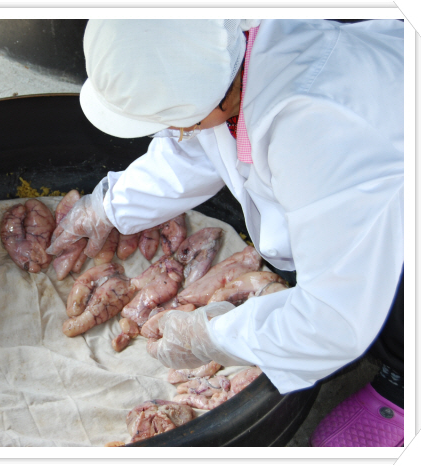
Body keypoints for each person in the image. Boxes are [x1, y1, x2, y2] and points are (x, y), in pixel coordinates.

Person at [46, 19, 404, 447]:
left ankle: (402, 386)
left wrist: (213, 337)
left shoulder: (318, 136)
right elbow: (197, 148)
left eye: (174, 121)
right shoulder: (223, 58)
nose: (176, 130)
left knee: (393, 308)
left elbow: (334, 318)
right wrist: (108, 207)